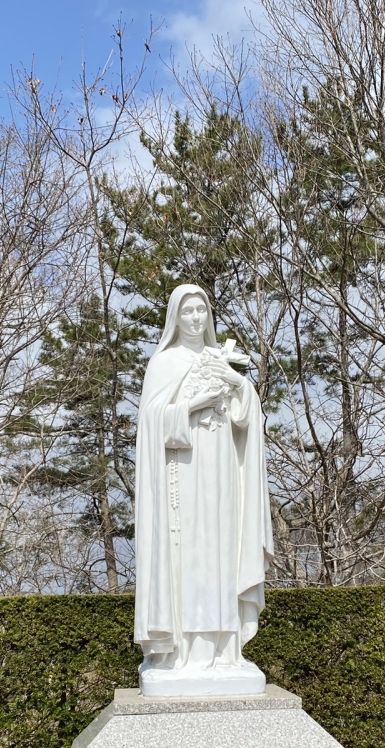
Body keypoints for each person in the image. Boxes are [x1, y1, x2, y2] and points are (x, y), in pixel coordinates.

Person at [132, 283, 273, 696]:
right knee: (189, 557)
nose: (195, 319)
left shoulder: (219, 358)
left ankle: (225, 651)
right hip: (182, 474)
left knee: (222, 553)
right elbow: (150, 424)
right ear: (175, 318)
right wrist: (193, 405)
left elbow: (246, 419)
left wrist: (238, 385)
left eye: (201, 311)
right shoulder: (163, 363)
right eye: (187, 311)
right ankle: (183, 653)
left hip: (222, 470)